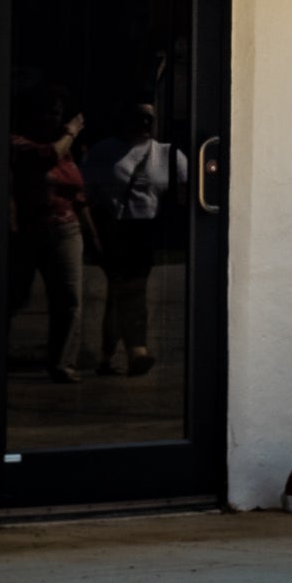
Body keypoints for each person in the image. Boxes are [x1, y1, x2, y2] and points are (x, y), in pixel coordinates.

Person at [85, 104, 186, 378]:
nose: (144, 122)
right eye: (138, 116)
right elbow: (87, 196)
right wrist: (93, 233)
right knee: (130, 290)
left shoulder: (167, 154)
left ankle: (108, 355)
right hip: (115, 229)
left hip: (146, 230)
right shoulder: (105, 152)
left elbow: (185, 193)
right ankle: (136, 350)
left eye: (149, 118)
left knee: (120, 293)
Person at [9, 85, 93, 381]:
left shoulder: (65, 150)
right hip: (28, 231)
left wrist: (92, 235)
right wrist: (70, 132)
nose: (51, 118)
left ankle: (62, 363)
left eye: (57, 113)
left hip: (65, 230)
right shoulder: (19, 144)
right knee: (15, 297)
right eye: (46, 112)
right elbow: (45, 157)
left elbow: (78, 195)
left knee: (69, 299)